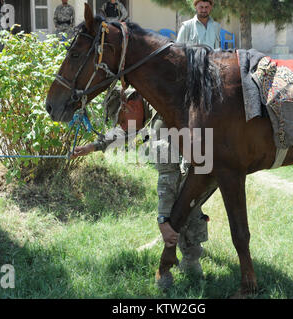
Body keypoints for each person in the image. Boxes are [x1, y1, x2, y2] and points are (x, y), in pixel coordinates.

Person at [71, 86, 213, 282]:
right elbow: (127, 132)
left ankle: (191, 261)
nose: (122, 127)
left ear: (130, 105)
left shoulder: (159, 121)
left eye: (121, 120)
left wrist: (163, 220)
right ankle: (190, 249)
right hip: (210, 156)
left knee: (182, 202)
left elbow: (168, 178)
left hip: (214, 160)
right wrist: (92, 147)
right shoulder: (154, 98)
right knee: (185, 202)